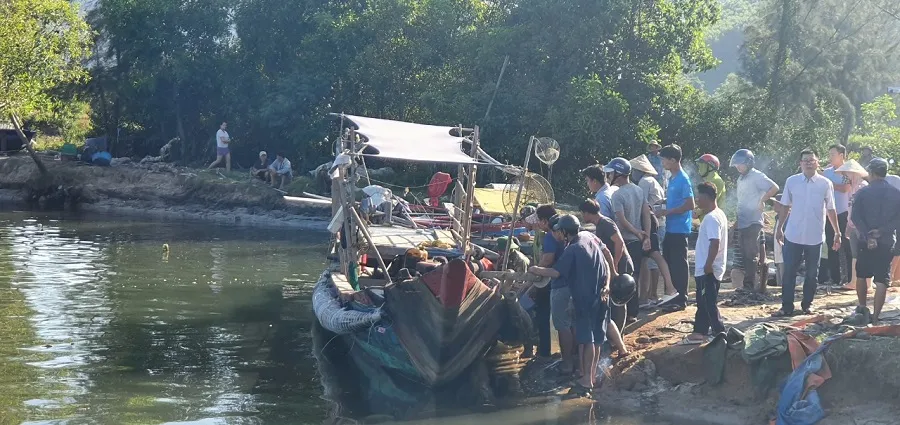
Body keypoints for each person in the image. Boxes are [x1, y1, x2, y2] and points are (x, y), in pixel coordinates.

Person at [528, 214, 618, 396]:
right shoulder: (589, 237)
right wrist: (608, 285)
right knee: (597, 338)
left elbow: (555, 272)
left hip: (586, 298)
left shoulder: (572, 249)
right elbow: (606, 264)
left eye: (558, 231)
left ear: (563, 232)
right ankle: (590, 376)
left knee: (587, 339)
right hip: (602, 294)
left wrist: (535, 269)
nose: (557, 234)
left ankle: (586, 381)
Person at [774, 149, 842, 317]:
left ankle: (807, 304)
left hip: (815, 236)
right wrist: (779, 228)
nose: (809, 163)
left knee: (812, 273)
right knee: (789, 271)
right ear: (800, 164)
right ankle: (786, 306)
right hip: (793, 234)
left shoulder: (825, 183)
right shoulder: (792, 182)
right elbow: (785, 207)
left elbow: (831, 209)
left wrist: (837, 232)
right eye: (805, 160)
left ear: (818, 162)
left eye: (812, 160)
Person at [850, 158, 900, 323]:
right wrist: (881, 231)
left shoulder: (863, 192)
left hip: (865, 240)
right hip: (886, 241)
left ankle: (862, 309)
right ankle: (877, 317)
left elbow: (856, 217)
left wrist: (868, 235)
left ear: (871, 173)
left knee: (862, 275)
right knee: (881, 280)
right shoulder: (895, 193)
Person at [578, 199, 630, 357]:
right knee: (614, 302)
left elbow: (619, 243)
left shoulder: (605, 223)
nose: (582, 216)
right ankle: (616, 338)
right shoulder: (599, 225)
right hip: (613, 264)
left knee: (619, 300)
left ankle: (618, 336)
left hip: (619, 263)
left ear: (587, 213)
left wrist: (613, 266)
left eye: (582, 213)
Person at [681, 183, 728, 344]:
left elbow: (715, 242)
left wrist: (708, 264)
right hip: (710, 267)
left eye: (699, 197)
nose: (697, 201)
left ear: (707, 198)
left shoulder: (711, 218)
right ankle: (699, 332)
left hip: (709, 268)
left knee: (708, 303)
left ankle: (719, 332)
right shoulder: (718, 214)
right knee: (703, 302)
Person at [605, 157, 650, 323]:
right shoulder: (638, 190)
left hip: (624, 241)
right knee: (634, 276)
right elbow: (646, 213)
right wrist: (645, 234)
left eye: (611, 173)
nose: (608, 176)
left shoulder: (617, 195)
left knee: (622, 278)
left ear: (618, 173)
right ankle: (634, 312)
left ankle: (622, 314)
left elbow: (621, 220)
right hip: (637, 241)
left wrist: (637, 232)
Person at [630, 155, 677, 307]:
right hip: (658, 222)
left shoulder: (644, 182)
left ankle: (658, 292)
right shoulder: (653, 181)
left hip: (651, 223)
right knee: (649, 259)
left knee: (653, 258)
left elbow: (641, 205)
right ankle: (649, 296)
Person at [731, 149, 779, 292]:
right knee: (744, 253)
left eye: (740, 164)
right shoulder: (741, 178)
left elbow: (774, 187)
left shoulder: (757, 176)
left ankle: (749, 285)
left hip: (753, 221)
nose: (738, 167)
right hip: (743, 220)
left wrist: (762, 200)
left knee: (751, 254)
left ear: (748, 163)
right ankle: (748, 284)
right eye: (736, 165)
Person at [658, 144, 694, 311]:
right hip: (671, 228)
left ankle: (681, 299)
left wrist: (668, 211)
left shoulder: (683, 179)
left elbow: (690, 204)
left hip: (680, 228)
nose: (662, 162)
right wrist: (663, 201)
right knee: (670, 262)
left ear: (673, 160)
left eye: (664, 159)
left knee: (679, 264)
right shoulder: (672, 178)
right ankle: (672, 296)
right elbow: (677, 199)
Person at [520, 205, 555, 359]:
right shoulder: (540, 236)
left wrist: (535, 271)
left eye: (538, 222)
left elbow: (547, 259)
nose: (536, 225)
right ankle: (541, 348)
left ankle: (543, 351)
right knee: (541, 315)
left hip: (546, 281)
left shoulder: (548, 237)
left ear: (545, 221)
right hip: (541, 279)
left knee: (542, 315)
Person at [834, 160, 871, 291]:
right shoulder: (853, 188)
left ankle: (866, 283)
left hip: (861, 226)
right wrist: (849, 225)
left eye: (846, 173)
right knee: (855, 255)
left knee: (862, 254)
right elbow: (851, 208)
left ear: (853, 173)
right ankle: (855, 281)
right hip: (853, 224)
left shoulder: (863, 187)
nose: (844, 176)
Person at [822, 144, 852, 287]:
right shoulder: (826, 172)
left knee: (847, 246)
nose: (830, 157)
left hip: (844, 213)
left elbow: (846, 189)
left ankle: (850, 278)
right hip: (828, 213)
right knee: (831, 245)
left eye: (833, 154)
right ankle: (834, 277)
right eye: (830, 154)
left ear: (841, 155)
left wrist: (829, 184)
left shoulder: (847, 171)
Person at [696, 154, 726, 219]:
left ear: (710, 167)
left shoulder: (716, 180)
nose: (699, 168)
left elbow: (708, 203)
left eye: (702, 165)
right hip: (707, 218)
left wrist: (696, 212)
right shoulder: (709, 180)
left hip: (713, 219)